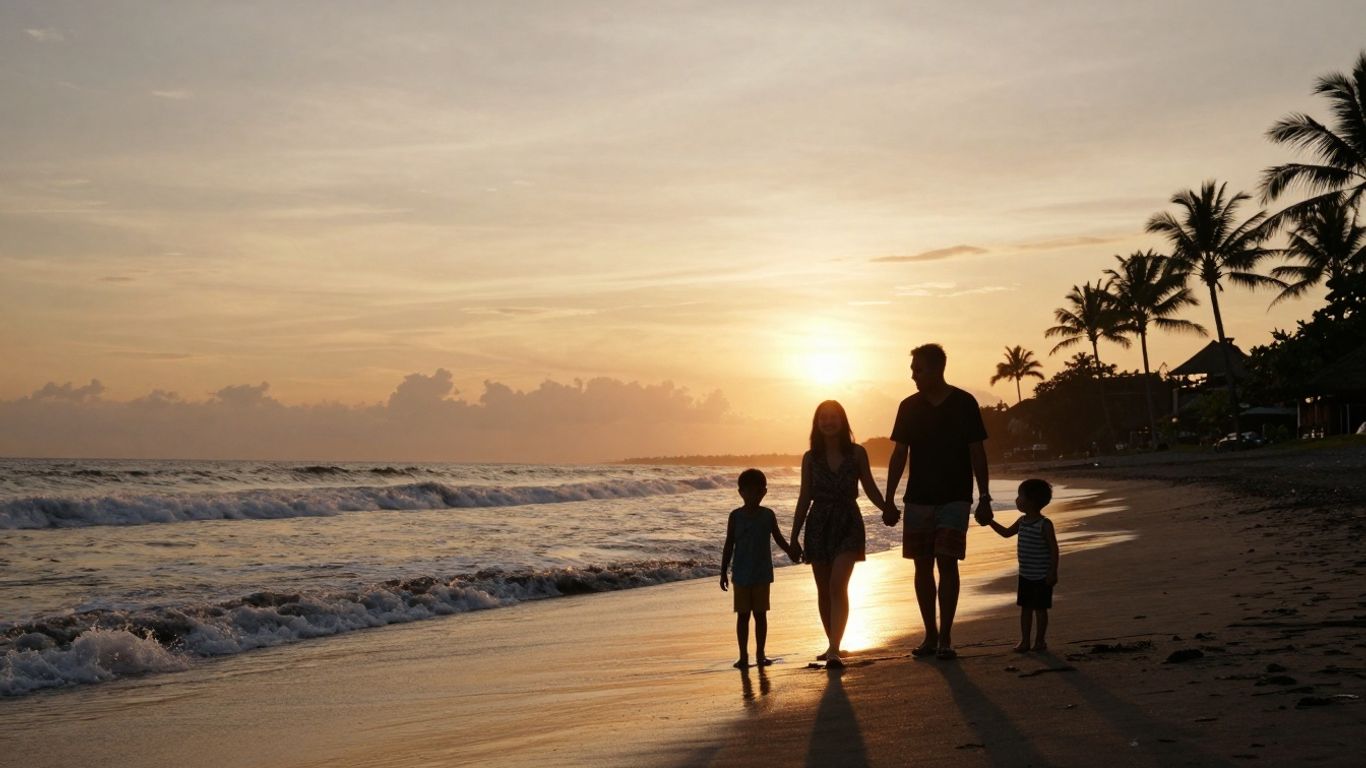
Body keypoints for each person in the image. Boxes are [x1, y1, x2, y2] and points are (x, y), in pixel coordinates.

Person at [882, 343, 991, 660]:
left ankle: (945, 637)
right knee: (922, 567)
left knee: (947, 562)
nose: (912, 375)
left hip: (956, 497)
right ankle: (930, 634)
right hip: (918, 499)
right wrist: (889, 500)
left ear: (936, 369)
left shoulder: (964, 403)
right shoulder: (909, 407)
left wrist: (984, 497)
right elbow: (899, 454)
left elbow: (977, 452)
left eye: (918, 369)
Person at [789, 400, 893, 668]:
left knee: (837, 585)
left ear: (843, 421)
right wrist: (793, 536)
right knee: (824, 590)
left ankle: (834, 648)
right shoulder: (810, 458)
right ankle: (832, 644)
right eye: (823, 417)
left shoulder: (857, 453)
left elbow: (869, 487)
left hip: (848, 521)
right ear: (816, 423)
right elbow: (804, 498)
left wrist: (887, 508)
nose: (828, 421)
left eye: (833, 417)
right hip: (818, 524)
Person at [720, 468, 796, 669]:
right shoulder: (735, 516)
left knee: (760, 615)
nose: (753, 496)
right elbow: (729, 544)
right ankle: (743, 656)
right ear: (740, 492)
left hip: (762, 574)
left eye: (757, 492)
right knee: (743, 616)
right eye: (748, 492)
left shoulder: (767, 515)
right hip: (740, 575)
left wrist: (791, 551)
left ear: (764, 492)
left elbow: (778, 538)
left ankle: (761, 653)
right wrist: (723, 571)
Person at [988, 479, 1059, 651]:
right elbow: (1006, 533)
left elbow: (1054, 550)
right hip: (1025, 575)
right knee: (1025, 608)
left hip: (1042, 575)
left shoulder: (1044, 524)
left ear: (1031, 500)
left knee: (1040, 610)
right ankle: (1025, 641)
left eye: (1020, 496)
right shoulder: (1022, 521)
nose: (1017, 499)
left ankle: (1040, 641)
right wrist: (990, 521)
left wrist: (1052, 572)